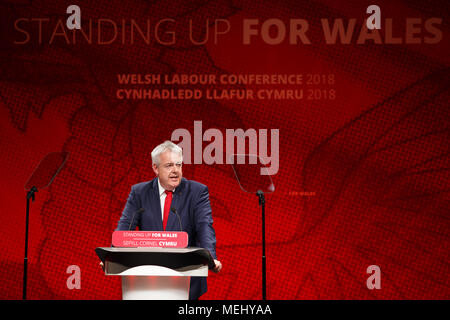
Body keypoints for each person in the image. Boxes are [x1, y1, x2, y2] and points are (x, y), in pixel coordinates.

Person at [115, 140, 222, 299]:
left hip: (185, 278)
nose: (175, 171)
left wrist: (211, 257)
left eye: (179, 165)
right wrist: (112, 255)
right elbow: (125, 225)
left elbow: (204, 226)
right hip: (148, 279)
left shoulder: (197, 192)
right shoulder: (139, 193)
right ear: (155, 168)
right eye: (169, 165)